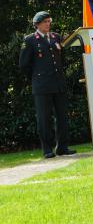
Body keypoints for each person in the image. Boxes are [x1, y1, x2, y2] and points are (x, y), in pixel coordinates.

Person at [19, 11, 76, 158]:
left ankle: (62, 147)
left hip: (58, 83)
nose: (48, 24)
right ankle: (47, 149)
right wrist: (37, 77)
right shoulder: (30, 40)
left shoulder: (56, 37)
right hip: (42, 85)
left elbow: (60, 58)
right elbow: (24, 65)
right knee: (44, 118)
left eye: (49, 21)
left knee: (62, 116)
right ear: (37, 24)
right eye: (45, 22)